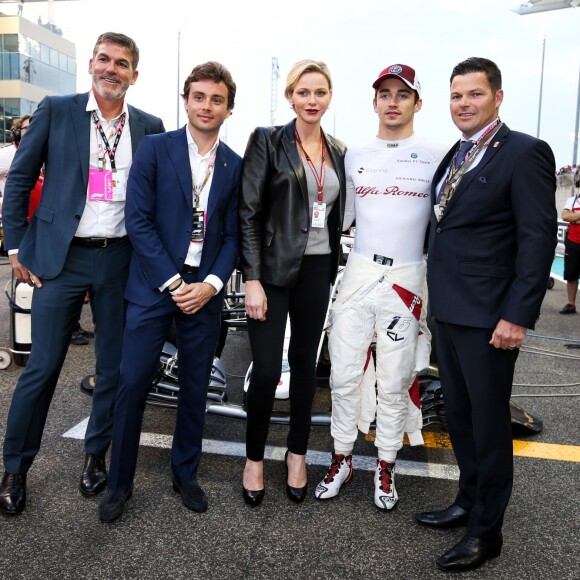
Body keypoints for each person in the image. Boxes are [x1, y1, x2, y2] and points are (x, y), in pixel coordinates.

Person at [0, 32, 165, 516]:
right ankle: (15, 467)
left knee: (111, 369)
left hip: (121, 261)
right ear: (92, 64)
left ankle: (96, 455)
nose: (112, 69)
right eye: (105, 60)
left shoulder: (150, 127)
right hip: (61, 258)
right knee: (43, 366)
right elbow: (21, 180)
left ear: (135, 73)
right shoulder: (57, 109)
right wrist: (15, 245)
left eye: (123, 63)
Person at [415, 57, 557, 572]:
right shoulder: (457, 152)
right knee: (460, 417)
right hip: (449, 312)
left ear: (497, 97)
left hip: (490, 318)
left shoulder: (525, 153)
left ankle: (486, 533)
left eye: (474, 94)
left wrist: (517, 314)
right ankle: (467, 500)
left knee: (490, 424)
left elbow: (537, 240)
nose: (463, 104)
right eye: (456, 96)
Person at [98, 61, 241, 523]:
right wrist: (174, 282)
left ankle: (185, 474)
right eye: (199, 97)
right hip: (155, 284)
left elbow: (235, 235)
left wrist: (211, 285)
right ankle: (119, 483)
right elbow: (137, 221)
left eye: (216, 99)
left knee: (195, 389)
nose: (206, 106)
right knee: (132, 383)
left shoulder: (234, 164)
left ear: (228, 108)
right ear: (186, 101)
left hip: (205, 290)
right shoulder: (156, 149)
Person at [314, 65, 446, 509]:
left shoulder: (437, 152)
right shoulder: (355, 155)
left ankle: (386, 465)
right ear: (374, 102)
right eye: (385, 94)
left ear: (417, 103)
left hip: (407, 279)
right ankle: (342, 458)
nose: (393, 102)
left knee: (395, 380)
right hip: (359, 275)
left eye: (402, 95)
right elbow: (340, 217)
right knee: (343, 374)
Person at [239, 59, 346, 507]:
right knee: (265, 370)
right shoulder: (267, 140)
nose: (311, 101)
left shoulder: (338, 149)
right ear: (290, 96)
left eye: (320, 92)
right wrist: (253, 280)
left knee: (305, 366)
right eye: (303, 92)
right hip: (274, 270)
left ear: (329, 97)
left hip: (319, 270)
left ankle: (297, 454)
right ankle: (254, 459)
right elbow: (248, 213)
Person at [559, 192, 580, 314]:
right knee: (571, 273)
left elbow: (570, 216)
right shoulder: (572, 200)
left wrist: (575, 217)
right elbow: (565, 216)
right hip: (573, 242)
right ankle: (571, 304)